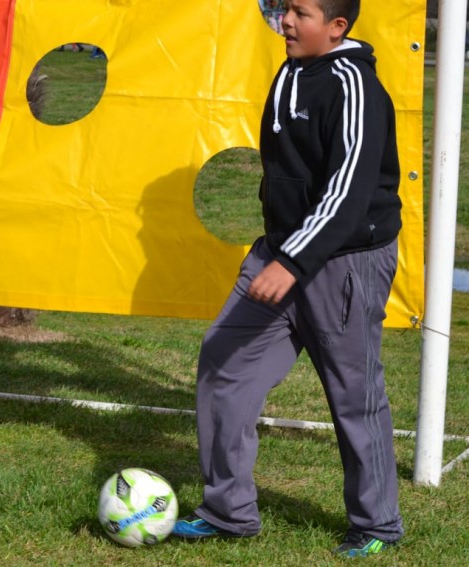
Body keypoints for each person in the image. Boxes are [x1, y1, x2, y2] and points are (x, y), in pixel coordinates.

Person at [170, 0, 404, 558]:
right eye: (285, 9)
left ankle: (376, 526)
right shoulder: (293, 68)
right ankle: (227, 511)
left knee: (354, 395)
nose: (287, 22)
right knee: (224, 362)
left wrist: (293, 261)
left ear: (337, 26)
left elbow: (346, 194)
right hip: (280, 255)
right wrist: (278, 251)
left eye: (301, 12)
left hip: (343, 261)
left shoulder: (355, 87)